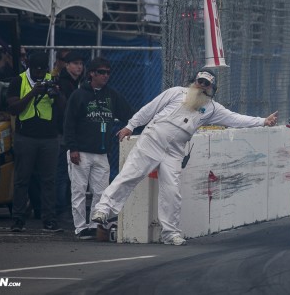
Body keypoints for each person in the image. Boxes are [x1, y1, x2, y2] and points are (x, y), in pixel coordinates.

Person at [90, 68, 278, 245]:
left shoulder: (212, 108)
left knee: (171, 191)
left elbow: (235, 119)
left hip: (175, 150)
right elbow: (150, 108)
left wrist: (263, 121)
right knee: (130, 174)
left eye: (207, 84)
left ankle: (170, 233)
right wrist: (131, 125)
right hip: (153, 139)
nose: (202, 86)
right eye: (200, 81)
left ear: (212, 89)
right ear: (193, 81)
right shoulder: (176, 92)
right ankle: (103, 209)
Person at [64, 57, 132, 240]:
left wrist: (129, 127)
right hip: (81, 152)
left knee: (101, 192)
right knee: (78, 191)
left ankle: (94, 225)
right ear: (92, 73)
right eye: (102, 72)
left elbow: (128, 114)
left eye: (108, 72)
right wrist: (73, 148)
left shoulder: (112, 95)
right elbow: (68, 123)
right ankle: (80, 228)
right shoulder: (78, 95)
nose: (106, 76)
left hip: (102, 153)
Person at [6, 52, 66, 232]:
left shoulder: (52, 80)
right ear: (30, 68)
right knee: (21, 180)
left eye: (43, 70)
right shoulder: (19, 81)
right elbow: (13, 108)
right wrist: (33, 93)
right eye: (36, 70)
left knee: (49, 180)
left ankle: (49, 219)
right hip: (26, 137)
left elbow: (64, 108)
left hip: (49, 137)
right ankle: (18, 219)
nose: (40, 74)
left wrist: (55, 94)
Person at [55, 50, 85, 219]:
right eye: (75, 63)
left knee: (68, 173)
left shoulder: (77, 83)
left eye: (81, 64)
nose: (79, 67)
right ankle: (60, 207)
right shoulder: (64, 84)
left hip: (70, 134)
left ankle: (64, 204)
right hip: (62, 133)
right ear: (67, 65)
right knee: (61, 172)